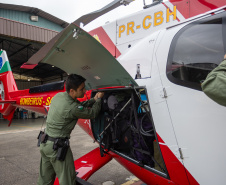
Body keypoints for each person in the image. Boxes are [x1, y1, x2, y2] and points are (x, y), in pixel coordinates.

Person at [37, 74, 104, 185]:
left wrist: (93, 99)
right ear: (72, 91)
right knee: (68, 180)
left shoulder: (59, 96)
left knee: (44, 180)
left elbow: (79, 106)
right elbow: (92, 113)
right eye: (81, 89)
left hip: (45, 144)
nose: (84, 90)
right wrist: (99, 100)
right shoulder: (72, 107)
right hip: (57, 147)